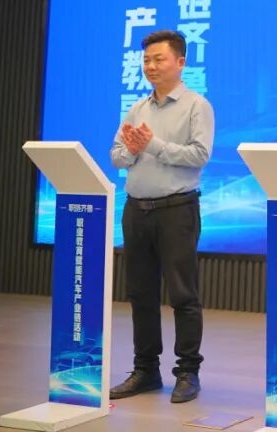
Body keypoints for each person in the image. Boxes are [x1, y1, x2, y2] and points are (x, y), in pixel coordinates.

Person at [109, 30, 214, 403]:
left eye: (159, 59)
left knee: (183, 295)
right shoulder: (138, 108)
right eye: (147, 60)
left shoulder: (197, 106)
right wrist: (133, 150)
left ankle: (187, 372)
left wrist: (151, 145)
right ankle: (146, 370)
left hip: (177, 210)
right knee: (140, 294)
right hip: (136, 210)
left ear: (180, 62)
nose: (150, 66)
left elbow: (199, 155)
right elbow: (117, 155)